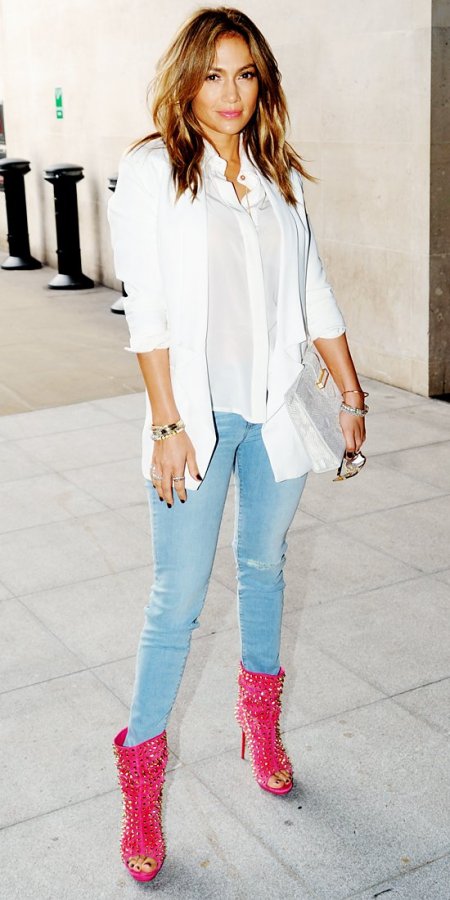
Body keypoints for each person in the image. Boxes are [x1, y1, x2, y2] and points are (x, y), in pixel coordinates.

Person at [108, 5, 366, 884]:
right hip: (194, 419)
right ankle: (142, 781)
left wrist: (351, 392)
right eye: (214, 74)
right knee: (177, 599)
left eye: (246, 74)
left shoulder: (276, 173)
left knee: (264, 567)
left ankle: (261, 722)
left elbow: (315, 289)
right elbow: (145, 308)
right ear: (187, 79)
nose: (231, 92)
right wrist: (167, 423)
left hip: (274, 412)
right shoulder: (152, 171)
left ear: (264, 84)